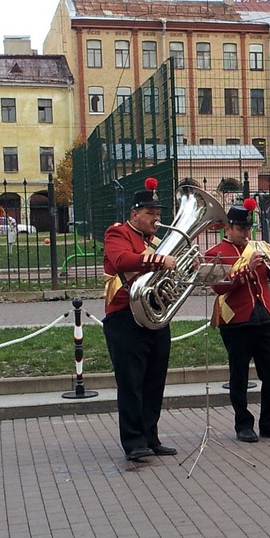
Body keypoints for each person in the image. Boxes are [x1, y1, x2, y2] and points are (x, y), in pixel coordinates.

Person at [102, 177, 179, 461]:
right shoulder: (117, 233)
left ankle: (150, 436)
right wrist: (160, 261)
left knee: (154, 381)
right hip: (125, 317)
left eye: (158, 214)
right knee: (131, 381)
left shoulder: (154, 241)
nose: (156, 219)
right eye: (151, 214)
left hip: (154, 316)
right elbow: (122, 261)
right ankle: (134, 442)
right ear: (135, 214)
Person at [205, 198, 270, 443]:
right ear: (228, 229)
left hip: (264, 318)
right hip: (236, 321)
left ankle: (269, 422)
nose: (245, 234)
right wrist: (246, 269)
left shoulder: (259, 248)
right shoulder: (216, 254)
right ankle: (243, 424)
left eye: (248, 229)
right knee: (239, 375)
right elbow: (219, 287)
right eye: (241, 229)